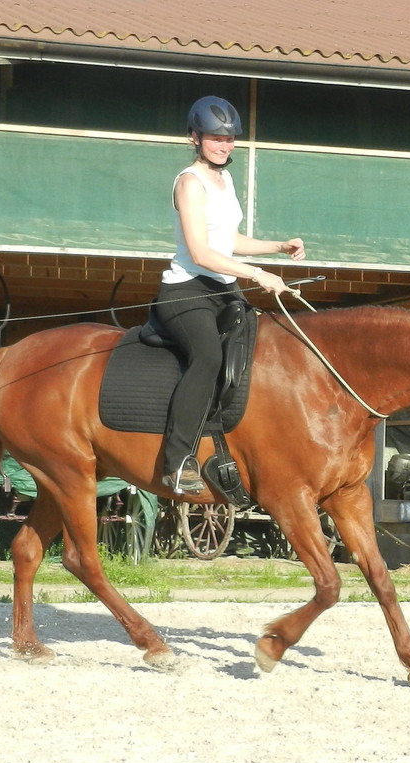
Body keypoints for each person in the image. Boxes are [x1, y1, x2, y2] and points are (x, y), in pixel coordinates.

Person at [155, 95, 306, 494]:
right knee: (208, 356)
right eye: (215, 139)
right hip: (186, 290)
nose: (224, 146)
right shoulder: (189, 183)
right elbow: (203, 253)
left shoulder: (226, 180)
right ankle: (177, 462)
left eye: (230, 139)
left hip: (224, 288)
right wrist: (258, 274)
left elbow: (229, 239)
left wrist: (277, 246)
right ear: (195, 138)